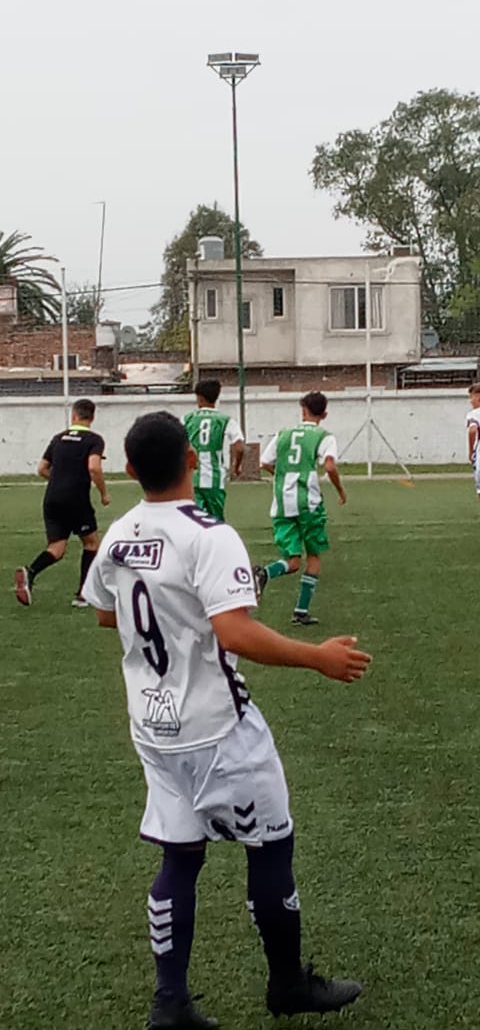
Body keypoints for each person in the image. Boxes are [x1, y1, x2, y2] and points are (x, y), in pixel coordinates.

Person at [82, 410, 371, 1030]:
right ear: (193, 458)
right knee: (270, 843)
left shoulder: (118, 533)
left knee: (179, 857)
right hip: (217, 726)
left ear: (130, 471)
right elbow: (234, 631)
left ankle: (171, 1003)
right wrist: (317, 658)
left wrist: (172, 610)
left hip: (153, 726)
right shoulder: (209, 534)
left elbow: (107, 615)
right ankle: (288, 984)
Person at [253, 391, 346, 626]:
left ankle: (264, 573)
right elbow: (330, 466)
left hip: (282, 504)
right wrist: (340, 490)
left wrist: (282, 478)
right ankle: (301, 611)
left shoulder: (283, 434)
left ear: (302, 410)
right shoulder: (324, 436)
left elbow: (264, 462)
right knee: (313, 557)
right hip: (309, 504)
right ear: (324, 414)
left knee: (292, 561)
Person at [14, 398, 110, 608]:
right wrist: (104, 493)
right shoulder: (94, 440)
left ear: (73, 416)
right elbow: (94, 468)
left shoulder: (58, 438)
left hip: (52, 498)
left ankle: (30, 573)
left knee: (56, 548)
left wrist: (59, 482)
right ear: (92, 417)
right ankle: (83, 595)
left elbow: (41, 468)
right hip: (77, 499)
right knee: (92, 543)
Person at [182, 378, 244, 520]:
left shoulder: (187, 419)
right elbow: (239, 447)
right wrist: (236, 467)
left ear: (199, 397)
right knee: (216, 521)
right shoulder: (225, 420)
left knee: (192, 519)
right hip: (215, 478)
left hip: (193, 478)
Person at [466, 382, 480, 499]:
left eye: (472, 397)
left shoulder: (474, 414)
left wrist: (471, 451)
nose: (470, 401)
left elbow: (472, 431)